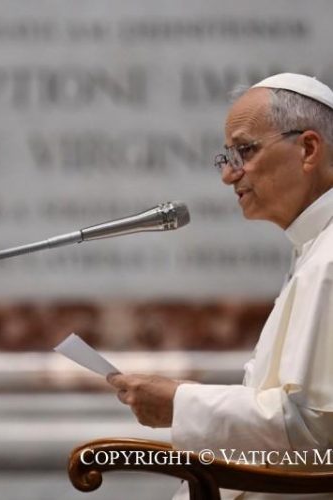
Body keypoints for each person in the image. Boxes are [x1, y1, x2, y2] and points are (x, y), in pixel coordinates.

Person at [107, 73, 333, 499]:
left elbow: (315, 438)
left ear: (307, 149)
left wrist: (179, 403)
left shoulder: (329, 260)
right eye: (226, 157)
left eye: (245, 150)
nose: (229, 175)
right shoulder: (313, 249)